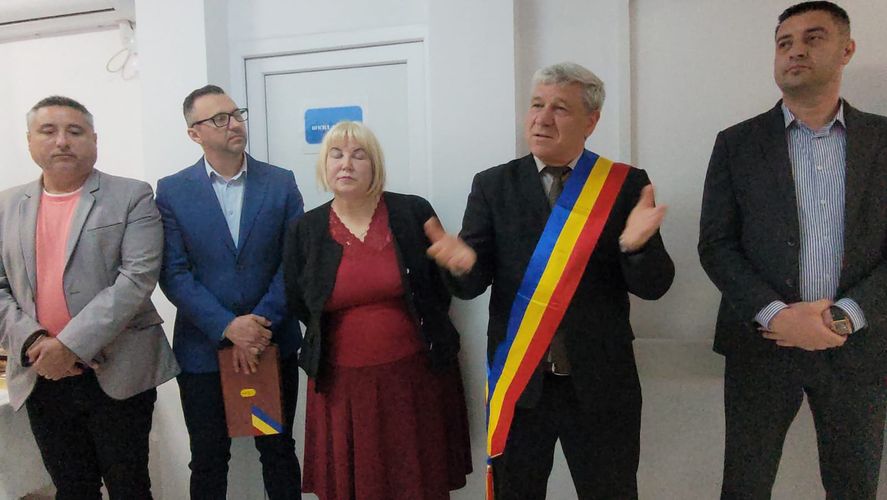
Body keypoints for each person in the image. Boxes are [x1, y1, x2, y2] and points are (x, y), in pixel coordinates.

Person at [427, 62, 674, 499]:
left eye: (559, 108)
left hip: (601, 384)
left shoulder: (623, 184)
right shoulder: (493, 185)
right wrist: (460, 264)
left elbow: (654, 286)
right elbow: (471, 285)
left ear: (591, 121)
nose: (541, 118)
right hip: (520, 384)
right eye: (536, 105)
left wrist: (635, 246)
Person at [698, 2, 887, 498]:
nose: (795, 50)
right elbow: (716, 245)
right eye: (784, 43)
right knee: (745, 486)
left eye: (813, 37)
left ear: (847, 50)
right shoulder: (737, 143)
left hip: (858, 347)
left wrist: (843, 317)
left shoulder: (884, 141)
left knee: (854, 487)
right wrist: (776, 315)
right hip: (762, 346)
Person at [0, 95, 179, 499]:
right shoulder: (6, 205)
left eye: (75, 131)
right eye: (48, 131)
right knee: (71, 488)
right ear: (29, 141)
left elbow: (137, 278)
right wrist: (35, 342)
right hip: (41, 374)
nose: (62, 141)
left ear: (94, 140)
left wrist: (69, 346)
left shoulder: (132, 195)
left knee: (130, 487)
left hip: (118, 369)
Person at [283, 120, 472, 500]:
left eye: (359, 155)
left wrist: (461, 265)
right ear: (324, 165)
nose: (346, 164)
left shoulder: (412, 211)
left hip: (414, 379)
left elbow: (443, 291)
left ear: (375, 165)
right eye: (336, 154)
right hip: (342, 386)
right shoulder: (305, 229)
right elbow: (300, 302)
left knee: (417, 482)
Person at [156, 85, 304, 500]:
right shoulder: (172, 190)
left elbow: (293, 262)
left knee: (277, 451)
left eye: (237, 114)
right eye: (219, 119)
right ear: (194, 133)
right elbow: (174, 272)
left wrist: (256, 328)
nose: (234, 124)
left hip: (270, 343)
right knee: (208, 457)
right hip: (203, 350)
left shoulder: (279, 182)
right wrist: (227, 326)